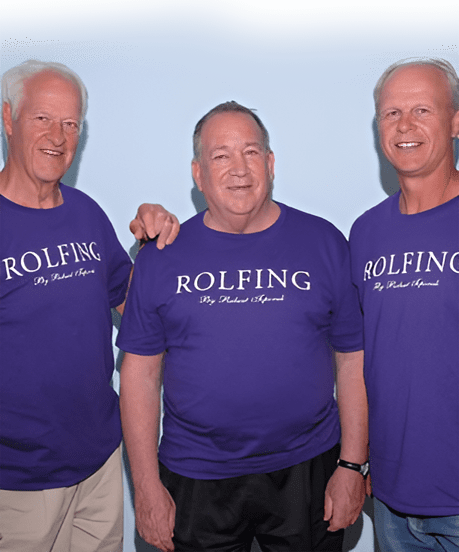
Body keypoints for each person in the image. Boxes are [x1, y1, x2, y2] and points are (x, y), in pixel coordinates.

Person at [117, 101, 369, 552]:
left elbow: (352, 359)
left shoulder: (325, 243)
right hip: (196, 474)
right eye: (221, 155)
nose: (239, 168)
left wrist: (352, 467)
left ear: (270, 164)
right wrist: (147, 488)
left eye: (251, 152)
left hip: (307, 467)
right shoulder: (160, 255)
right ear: (198, 174)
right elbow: (139, 375)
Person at [0, 59, 179, 552]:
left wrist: (153, 239)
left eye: (71, 123)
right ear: (8, 118)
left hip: (100, 463)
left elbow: (134, 300)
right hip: (15, 483)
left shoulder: (85, 212)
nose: (57, 136)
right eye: (42, 119)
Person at [349, 58, 459, 551]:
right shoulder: (366, 232)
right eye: (391, 113)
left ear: (455, 121)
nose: (405, 126)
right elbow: (361, 358)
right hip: (392, 498)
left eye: (422, 110)